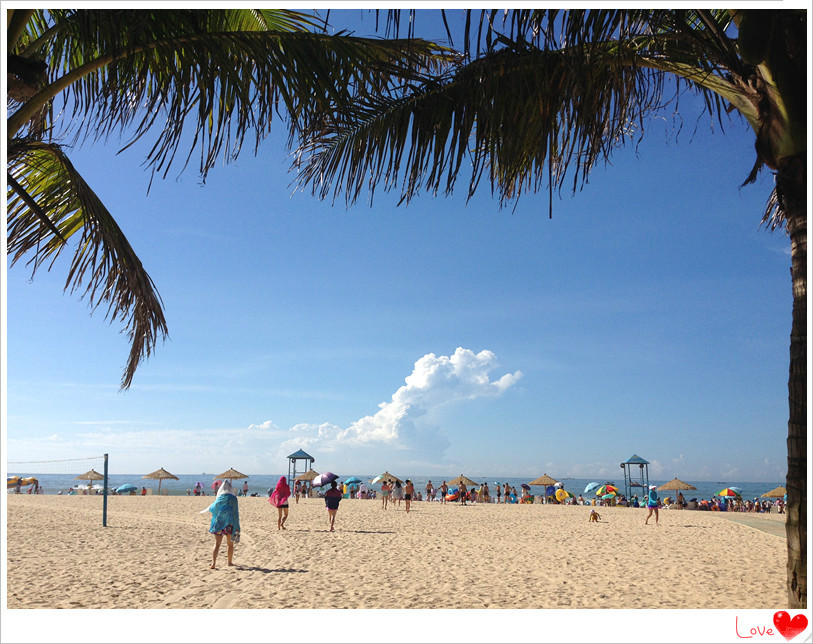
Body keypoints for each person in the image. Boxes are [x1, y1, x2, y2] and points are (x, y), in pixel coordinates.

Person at [203, 480, 240, 569]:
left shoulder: (219, 498)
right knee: (230, 544)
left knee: (217, 544)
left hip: (219, 523)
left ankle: (213, 563)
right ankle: (229, 562)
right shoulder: (234, 498)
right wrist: (237, 525)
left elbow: (212, 508)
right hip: (230, 524)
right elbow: (235, 513)